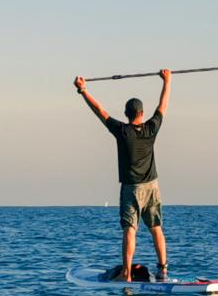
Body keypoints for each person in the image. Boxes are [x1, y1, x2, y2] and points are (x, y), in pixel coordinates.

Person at [73, 69, 171, 281]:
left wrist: (83, 91)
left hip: (132, 188)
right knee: (156, 228)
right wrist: (167, 80)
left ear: (126, 114)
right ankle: (163, 270)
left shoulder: (122, 131)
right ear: (142, 114)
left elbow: (99, 111)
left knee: (130, 230)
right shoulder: (151, 128)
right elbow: (162, 106)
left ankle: (126, 274)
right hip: (153, 186)